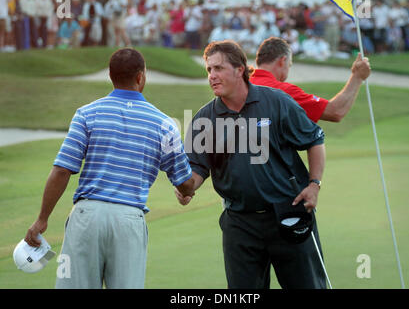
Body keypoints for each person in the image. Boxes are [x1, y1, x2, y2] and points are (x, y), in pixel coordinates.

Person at [24, 48, 195, 289]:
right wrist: (187, 190)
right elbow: (184, 182)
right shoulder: (164, 124)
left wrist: (42, 219)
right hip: (129, 220)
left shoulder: (86, 114)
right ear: (140, 77)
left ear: (110, 75)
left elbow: (62, 170)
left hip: (85, 217)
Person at [176, 40, 327, 289]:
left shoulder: (276, 101)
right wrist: (185, 186)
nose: (212, 76)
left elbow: (314, 139)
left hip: (288, 212)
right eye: (209, 70)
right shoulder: (205, 119)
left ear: (240, 70)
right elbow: (197, 172)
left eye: (219, 68)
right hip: (239, 223)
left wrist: (314, 184)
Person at [250, 37, 371, 123]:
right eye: (289, 65)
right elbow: (336, 111)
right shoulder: (283, 91)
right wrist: (357, 77)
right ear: (282, 61)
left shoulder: (241, 84)